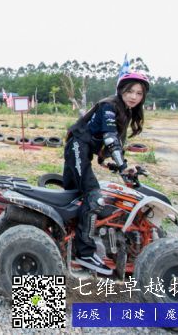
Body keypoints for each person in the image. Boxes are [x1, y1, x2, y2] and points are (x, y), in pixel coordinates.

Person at [62, 72, 150, 275]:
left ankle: (70, 242)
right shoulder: (109, 106)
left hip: (83, 150)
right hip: (78, 147)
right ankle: (85, 254)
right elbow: (110, 138)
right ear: (121, 90)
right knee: (94, 196)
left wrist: (119, 166)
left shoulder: (125, 110)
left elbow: (110, 143)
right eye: (130, 91)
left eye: (139, 93)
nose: (134, 96)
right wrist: (122, 165)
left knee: (76, 196)